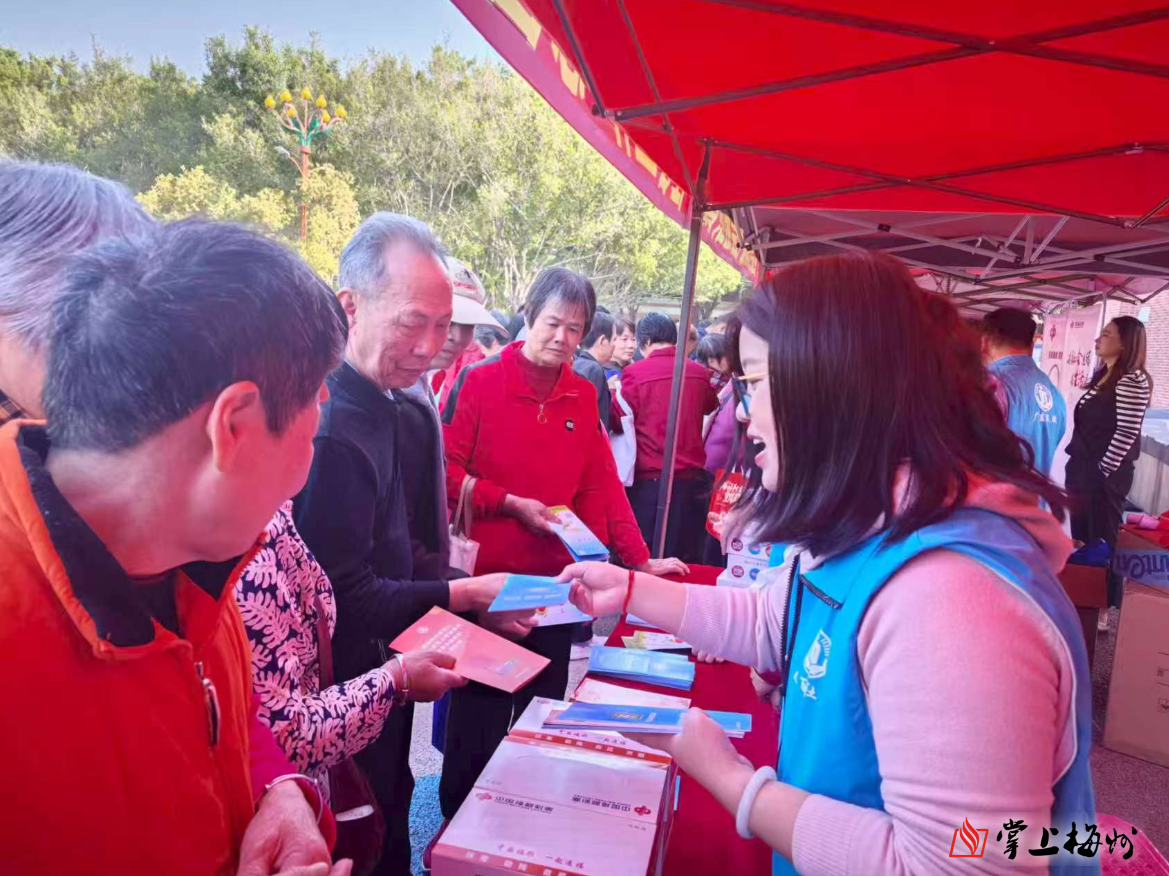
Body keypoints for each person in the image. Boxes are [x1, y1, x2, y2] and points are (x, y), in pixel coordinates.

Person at [562, 252, 1096, 876]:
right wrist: (630, 590)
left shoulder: (951, 596)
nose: (742, 412)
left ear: (834, 390)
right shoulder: (875, 522)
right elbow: (773, 620)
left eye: (755, 384)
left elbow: (958, 864)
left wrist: (731, 779)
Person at [0, 210, 352, 875]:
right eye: (313, 421)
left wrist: (277, 792)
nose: (301, 477)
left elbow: (206, 710)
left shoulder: (189, 559)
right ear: (234, 425)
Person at [292, 213, 516, 876]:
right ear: (351, 307)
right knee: (361, 833)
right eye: (413, 322)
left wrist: (469, 602)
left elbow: (403, 550)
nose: (429, 346)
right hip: (340, 698)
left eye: (443, 326)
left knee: (393, 811)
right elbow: (344, 598)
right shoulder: (329, 427)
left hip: (389, 676)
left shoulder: (395, 402)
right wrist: (462, 595)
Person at [437, 267, 686, 826]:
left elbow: (602, 484)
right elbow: (444, 473)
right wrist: (508, 503)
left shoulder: (581, 393)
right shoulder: (479, 381)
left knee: (540, 716)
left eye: (575, 328)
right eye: (553, 323)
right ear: (529, 316)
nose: (563, 338)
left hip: (555, 587)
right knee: (478, 719)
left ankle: (523, 826)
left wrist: (638, 559)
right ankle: (455, 832)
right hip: (489, 588)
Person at [1066, 315, 1152, 626]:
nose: (1098, 339)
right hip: (1082, 467)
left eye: (1106, 334)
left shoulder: (1132, 379)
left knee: (1102, 537)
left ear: (1125, 342)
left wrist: (1102, 470)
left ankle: (1103, 607)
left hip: (1104, 473)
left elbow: (1127, 431)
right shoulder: (1105, 375)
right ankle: (1084, 598)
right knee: (1083, 535)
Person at [615, 312, 719, 561]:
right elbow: (709, 406)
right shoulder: (698, 372)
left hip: (650, 481)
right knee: (684, 556)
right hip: (691, 480)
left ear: (645, 341)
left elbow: (618, 419)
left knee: (646, 556)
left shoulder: (635, 373)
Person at [979, 308, 1066, 477]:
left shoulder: (991, 384)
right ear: (1032, 346)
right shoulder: (1053, 392)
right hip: (1038, 491)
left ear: (985, 342)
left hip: (996, 490)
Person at [573, 309, 616, 431]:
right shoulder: (594, 369)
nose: (615, 346)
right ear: (602, 341)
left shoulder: (577, 363)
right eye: (614, 340)